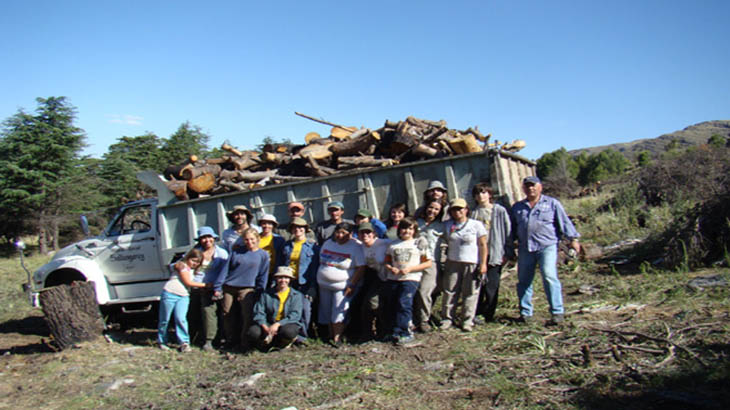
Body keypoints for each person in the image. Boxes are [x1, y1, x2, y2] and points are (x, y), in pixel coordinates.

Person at [510, 176, 580, 325]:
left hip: (546, 246)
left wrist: (573, 239)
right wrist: (509, 247)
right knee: (524, 281)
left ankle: (557, 312)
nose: (530, 188)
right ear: (523, 188)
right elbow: (512, 230)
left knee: (549, 276)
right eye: (527, 186)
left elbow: (564, 222)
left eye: (533, 185)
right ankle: (525, 314)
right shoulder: (517, 207)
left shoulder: (552, 204)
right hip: (525, 248)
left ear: (540, 187)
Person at [213, 228, 270, 351]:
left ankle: (245, 342)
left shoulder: (263, 255)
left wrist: (260, 291)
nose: (249, 242)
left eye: (252, 239)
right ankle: (230, 341)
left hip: (248, 288)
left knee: (247, 315)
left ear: (257, 239)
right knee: (227, 314)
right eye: (246, 239)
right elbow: (225, 271)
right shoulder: (236, 252)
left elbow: (262, 275)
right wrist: (218, 286)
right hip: (230, 286)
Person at [440, 198, 488, 332]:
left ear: (466, 209)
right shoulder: (447, 225)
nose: (457, 212)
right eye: (454, 209)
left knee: (470, 292)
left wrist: (483, 264)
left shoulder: (476, 225)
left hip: (471, 262)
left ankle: (467, 320)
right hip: (453, 262)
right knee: (450, 291)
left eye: (460, 209)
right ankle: (447, 319)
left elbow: (483, 245)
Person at [316, 222, 366, 346]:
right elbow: (321, 260)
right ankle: (330, 335)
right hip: (324, 284)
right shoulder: (328, 243)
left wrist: (352, 285)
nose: (340, 235)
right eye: (338, 232)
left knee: (338, 311)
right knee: (326, 310)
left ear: (350, 234)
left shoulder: (356, 246)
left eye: (343, 232)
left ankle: (337, 338)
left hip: (342, 286)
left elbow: (361, 267)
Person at [384, 217, 431, 345]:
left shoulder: (418, 244)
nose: (407, 231)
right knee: (392, 303)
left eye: (410, 229)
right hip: (393, 278)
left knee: (404, 303)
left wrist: (411, 269)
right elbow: (387, 261)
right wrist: (390, 268)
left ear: (414, 231)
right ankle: (395, 330)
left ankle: (406, 331)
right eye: (404, 228)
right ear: (399, 230)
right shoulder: (393, 245)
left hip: (411, 279)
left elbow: (428, 263)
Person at [470, 183, 512, 323]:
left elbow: (507, 231)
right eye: (477, 193)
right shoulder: (473, 213)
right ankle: (476, 312)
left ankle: (489, 314)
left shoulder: (499, 211)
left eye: (483, 192)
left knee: (492, 285)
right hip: (478, 253)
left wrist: (508, 251)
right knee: (478, 284)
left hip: (495, 251)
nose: (480, 196)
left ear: (489, 194)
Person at [186, 226, 228, 351]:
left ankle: (211, 340)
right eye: (203, 238)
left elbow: (225, 272)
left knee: (210, 313)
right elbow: (181, 264)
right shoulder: (195, 252)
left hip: (213, 287)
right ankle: (193, 338)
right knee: (193, 314)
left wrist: (217, 287)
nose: (207, 240)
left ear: (214, 238)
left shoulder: (221, 253)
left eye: (209, 237)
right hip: (195, 287)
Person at [157, 248, 206, 352]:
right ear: (188, 258)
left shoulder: (194, 271)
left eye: (197, 262)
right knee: (165, 319)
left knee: (181, 318)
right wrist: (206, 285)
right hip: (170, 293)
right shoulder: (182, 266)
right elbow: (188, 282)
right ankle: (162, 341)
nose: (194, 263)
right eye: (193, 260)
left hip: (183, 296)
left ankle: (184, 342)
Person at [279, 217, 319, 339]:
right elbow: (281, 263)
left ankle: (303, 337)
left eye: (300, 227)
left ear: (305, 230)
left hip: (305, 283)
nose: (298, 230)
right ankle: (291, 336)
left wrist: (313, 286)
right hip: (289, 282)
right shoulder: (286, 246)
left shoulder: (313, 247)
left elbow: (315, 268)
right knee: (289, 310)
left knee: (305, 310)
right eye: (295, 227)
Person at [247, 267, 304, 351]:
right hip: (269, 322)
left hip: (285, 324)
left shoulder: (296, 295)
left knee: (289, 332)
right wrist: (264, 326)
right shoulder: (266, 294)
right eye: (280, 277)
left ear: (290, 280)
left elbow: (295, 315)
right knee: (253, 332)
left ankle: (283, 344)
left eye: (286, 278)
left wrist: (278, 324)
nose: (283, 280)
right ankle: (263, 344)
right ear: (276, 278)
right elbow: (259, 311)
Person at [414, 199, 445, 333]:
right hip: (415, 262)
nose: (432, 211)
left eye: (436, 209)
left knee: (425, 291)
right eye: (431, 207)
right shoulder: (416, 223)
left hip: (431, 263)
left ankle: (424, 320)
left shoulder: (441, 226)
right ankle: (413, 319)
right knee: (414, 292)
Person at [357, 222, 392, 341]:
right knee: (370, 304)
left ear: (374, 233)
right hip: (376, 278)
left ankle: (386, 331)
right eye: (362, 232)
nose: (365, 235)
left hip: (391, 278)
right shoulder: (359, 246)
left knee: (384, 306)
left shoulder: (383, 243)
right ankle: (368, 333)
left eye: (368, 232)